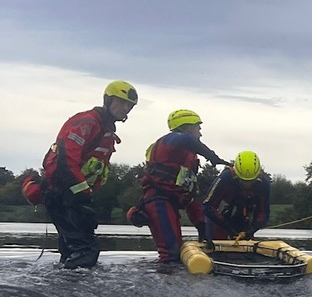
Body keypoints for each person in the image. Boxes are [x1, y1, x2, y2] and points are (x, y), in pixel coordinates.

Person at [30, 80, 138, 268]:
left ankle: (63, 282)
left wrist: (85, 196)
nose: (125, 109)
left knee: (72, 250)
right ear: (108, 100)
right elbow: (66, 160)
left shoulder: (105, 129)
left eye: (129, 106)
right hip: (63, 195)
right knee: (86, 249)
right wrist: (81, 195)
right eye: (121, 103)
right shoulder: (87, 122)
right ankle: (74, 283)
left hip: (73, 196)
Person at [127, 109, 229, 262]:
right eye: (198, 128)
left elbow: (189, 195)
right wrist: (212, 157)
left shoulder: (187, 156)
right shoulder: (170, 140)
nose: (200, 133)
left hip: (171, 202)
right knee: (170, 252)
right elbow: (187, 140)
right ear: (188, 127)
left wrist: (200, 224)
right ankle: (165, 276)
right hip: (158, 201)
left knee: (176, 252)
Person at [201, 150, 271, 241]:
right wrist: (228, 228)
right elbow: (207, 206)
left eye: (251, 181)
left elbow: (264, 212)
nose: (247, 184)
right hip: (219, 222)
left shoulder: (264, 184)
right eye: (243, 180)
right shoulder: (225, 178)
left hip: (244, 223)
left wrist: (252, 230)